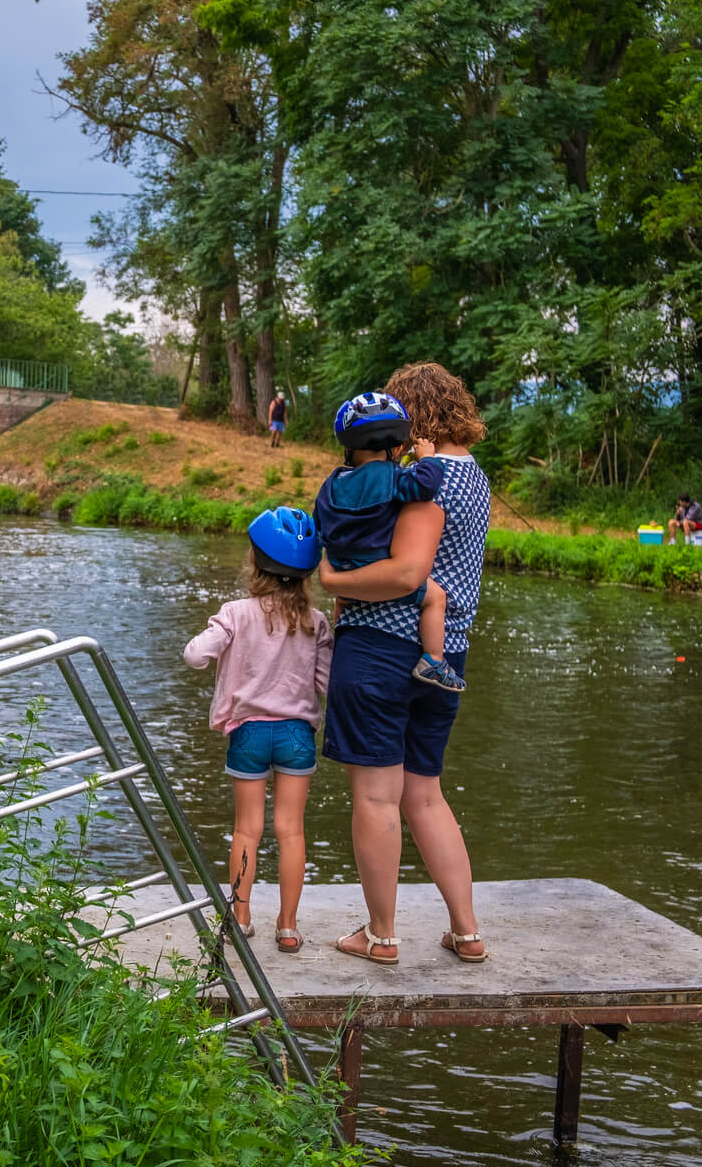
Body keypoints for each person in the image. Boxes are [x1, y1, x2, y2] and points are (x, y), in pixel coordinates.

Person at [318, 362, 491, 968]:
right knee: (426, 795)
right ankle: (466, 931)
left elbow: (404, 572)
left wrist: (333, 577)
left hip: (381, 649)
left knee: (376, 797)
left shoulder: (420, 478)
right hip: (445, 652)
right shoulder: (475, 476)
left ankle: (382, 935)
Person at [183, 506, 331, 954]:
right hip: (296, 736)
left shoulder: (234, 614)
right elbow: (327, 683)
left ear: (256, 562)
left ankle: (241, 918)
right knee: (292, 830)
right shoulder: (316, 622)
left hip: (247, 734)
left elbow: (193, 656)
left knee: (247, 829)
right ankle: (287, 927)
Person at [314, 391, 463, 693]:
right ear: (396, 447)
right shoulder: (392, 477)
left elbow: (319, 523)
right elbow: (425, 484)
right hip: (377, 567)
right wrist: (427, 458)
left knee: (343, 598)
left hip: (342, 567)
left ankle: (339, 644)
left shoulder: (332, 482)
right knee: (435, 597)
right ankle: (434, 660)